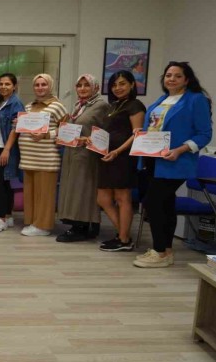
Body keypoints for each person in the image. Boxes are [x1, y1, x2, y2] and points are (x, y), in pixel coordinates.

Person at [133, 62, 212, 268]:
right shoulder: (162, 100)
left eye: (177, 76)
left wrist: (180, 150)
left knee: (153, 202)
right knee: (166, 204)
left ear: (186, 80)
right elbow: (155, 127)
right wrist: (142, 133)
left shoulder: (196, 100)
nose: (172, 79)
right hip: (153, 159)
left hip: (175, 160)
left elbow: (204, 134)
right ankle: (166, 251)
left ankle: (159, 252)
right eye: (168, 75)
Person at [96, 71, 146, 252]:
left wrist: (117, 151)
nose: (118, 88)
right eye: (114, 85)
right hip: (107, 156)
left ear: (132, 85)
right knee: (103, 198)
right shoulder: (114, 105)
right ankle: (124, 235)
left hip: (123, 157)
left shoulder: (135, 105)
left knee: (122, 197)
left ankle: (123, 239)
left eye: (122, 83)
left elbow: (137, 134)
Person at [56, 74, 109, 242]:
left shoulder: (101, 106)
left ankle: (83, 226)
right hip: (73, 153)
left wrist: (87, 140)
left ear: (96, 87)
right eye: (79, 85)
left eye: (87, 85)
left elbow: (106, 133)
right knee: (73, 189)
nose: (83, 88)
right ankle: (79, 224)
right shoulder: (80, 105)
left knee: (83, 190)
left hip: (88, 155)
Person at [16, 73, 67, 236]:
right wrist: (18, 124)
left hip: (46, 157)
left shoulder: (58, 106)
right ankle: (32, 222)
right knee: (30, 193)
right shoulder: (29, 106)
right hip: (29, 157)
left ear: (50, 86)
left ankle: (43, 226)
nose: (40, 88)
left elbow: (67, 129)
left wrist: (47, 134)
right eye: (37, 85)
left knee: (45, 194)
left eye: (43, 84)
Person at [0, 73, 24, 233]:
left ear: (14, 86)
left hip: (4, 148)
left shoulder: (16, 103)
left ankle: (0, 218)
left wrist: (7, 149)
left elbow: (15, 128)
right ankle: (8, 216)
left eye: (7, 84)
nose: (3, 87)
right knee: (5, 183)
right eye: (1, 84)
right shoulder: (1, 101)